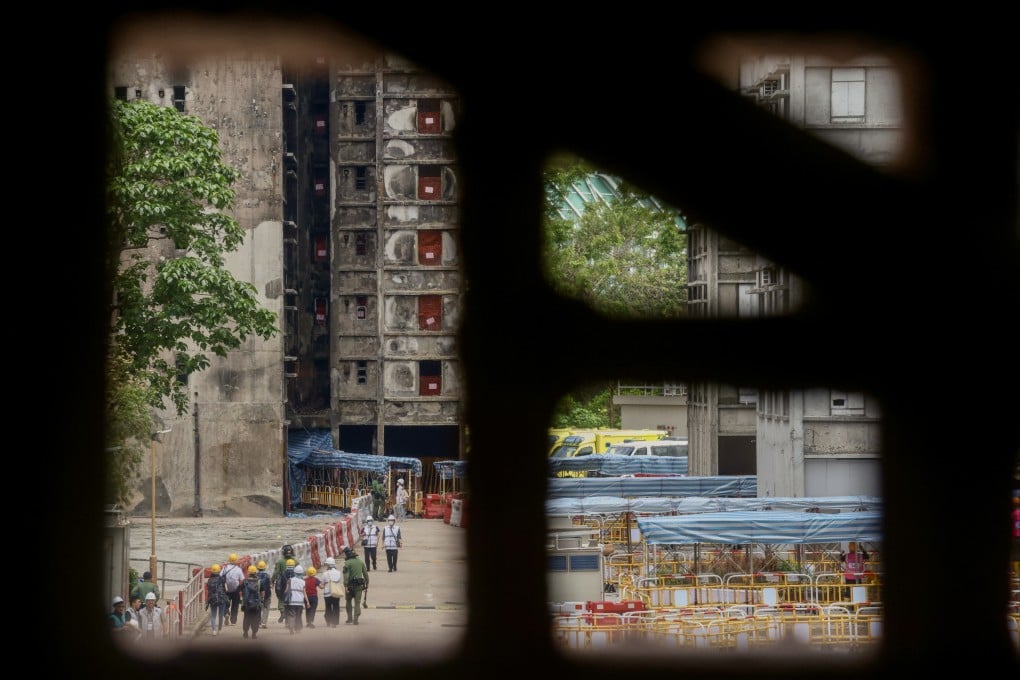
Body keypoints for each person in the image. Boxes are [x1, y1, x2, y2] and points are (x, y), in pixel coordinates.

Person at [342, 546, 369, 625]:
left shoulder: (347, 563)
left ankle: (349, 618)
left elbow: (346, 576)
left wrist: (345, 586)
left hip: (350, 586)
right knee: (357, 602)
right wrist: (367, 583)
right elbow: (365, 574)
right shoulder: (360, 562)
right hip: (359, 586)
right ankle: (356, 618)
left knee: (348, 601)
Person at [272, 544, 297, 624]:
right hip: (293, 583)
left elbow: (276, 572)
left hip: (282, 583)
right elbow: (300, 572)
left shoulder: (280, 561)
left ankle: (282, 612)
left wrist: (272, 581)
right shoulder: (296, 561)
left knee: (281, 598)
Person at [221, 553, 245, 626]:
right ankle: (233, 621)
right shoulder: (238, 569)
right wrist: (239, 587)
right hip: (235, 589)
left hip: (226, 589)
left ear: (229, 560)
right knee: (235, 605)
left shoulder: (225, 568)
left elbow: (220, 576)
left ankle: (226, 613)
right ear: (236, 561)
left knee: (225, 603)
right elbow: (242, 579)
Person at [285, 564, 309, 634]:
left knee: (292, 615)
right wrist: (307, 602)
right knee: (298, 616)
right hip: (300, 602)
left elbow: (286, 590)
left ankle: (291, 627)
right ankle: (298, 629)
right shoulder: (303, 582)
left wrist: (285, 597)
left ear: (294, 572)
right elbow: (304, 593)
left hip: (291, 601)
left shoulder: (290, 580)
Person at [319, 556, 343, 627]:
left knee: (328, 607)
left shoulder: (325, 573)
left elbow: (321, 584)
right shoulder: (339, 573)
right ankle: (335, 622)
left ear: (328, 565)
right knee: (336, 607)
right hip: (336, 592)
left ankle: (328, 621)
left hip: (327, 594)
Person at [240, 565, 263, 640]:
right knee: (256, 619)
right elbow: (262, 592)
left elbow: (241, 591)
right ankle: (254, 634)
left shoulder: (245, 581)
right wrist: (261, 600)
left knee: (247, 618)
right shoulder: (259, 581)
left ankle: (245, 632)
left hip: (247, 603)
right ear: (255, 572)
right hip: (256, 603)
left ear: (248, 573)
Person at [205, 563, 228, 636]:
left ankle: (214, 630)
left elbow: (209, 590)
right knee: (221, 615)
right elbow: (226, 589)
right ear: (219, 571)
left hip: (212, 599)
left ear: (212, 571)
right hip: (221, 598)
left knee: (213, 615)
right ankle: (220, 629)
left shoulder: (209, 580)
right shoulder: (222, 579)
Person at [255, 560, 272, 629]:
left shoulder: (255, 576)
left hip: (258, 595)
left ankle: (258, 622)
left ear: (258, 568)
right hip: (267, 594)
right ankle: (264, 622)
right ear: (265, 568)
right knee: (266, 608)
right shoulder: (268, 576)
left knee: (258, 608)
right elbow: (270, 585)